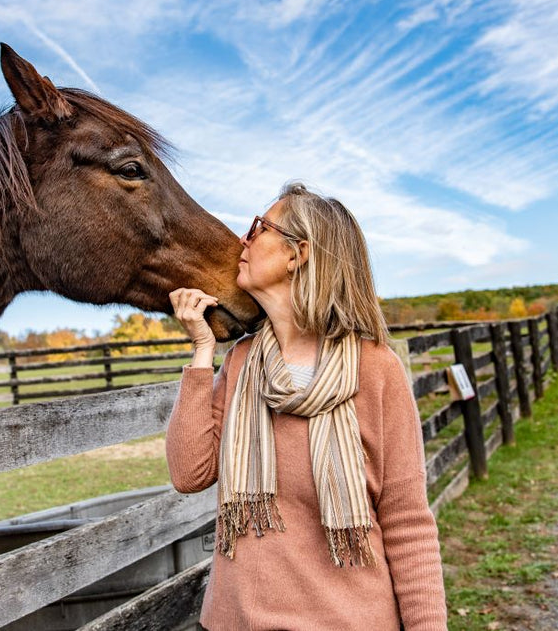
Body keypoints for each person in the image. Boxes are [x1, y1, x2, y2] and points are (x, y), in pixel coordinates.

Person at [167, 182, 448, 631]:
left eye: (259, 228)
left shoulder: (377, 370)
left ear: (298, 254)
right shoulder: (241, 363)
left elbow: (408, 522)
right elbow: (189, 473)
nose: (243, 239)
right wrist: (202, 352)